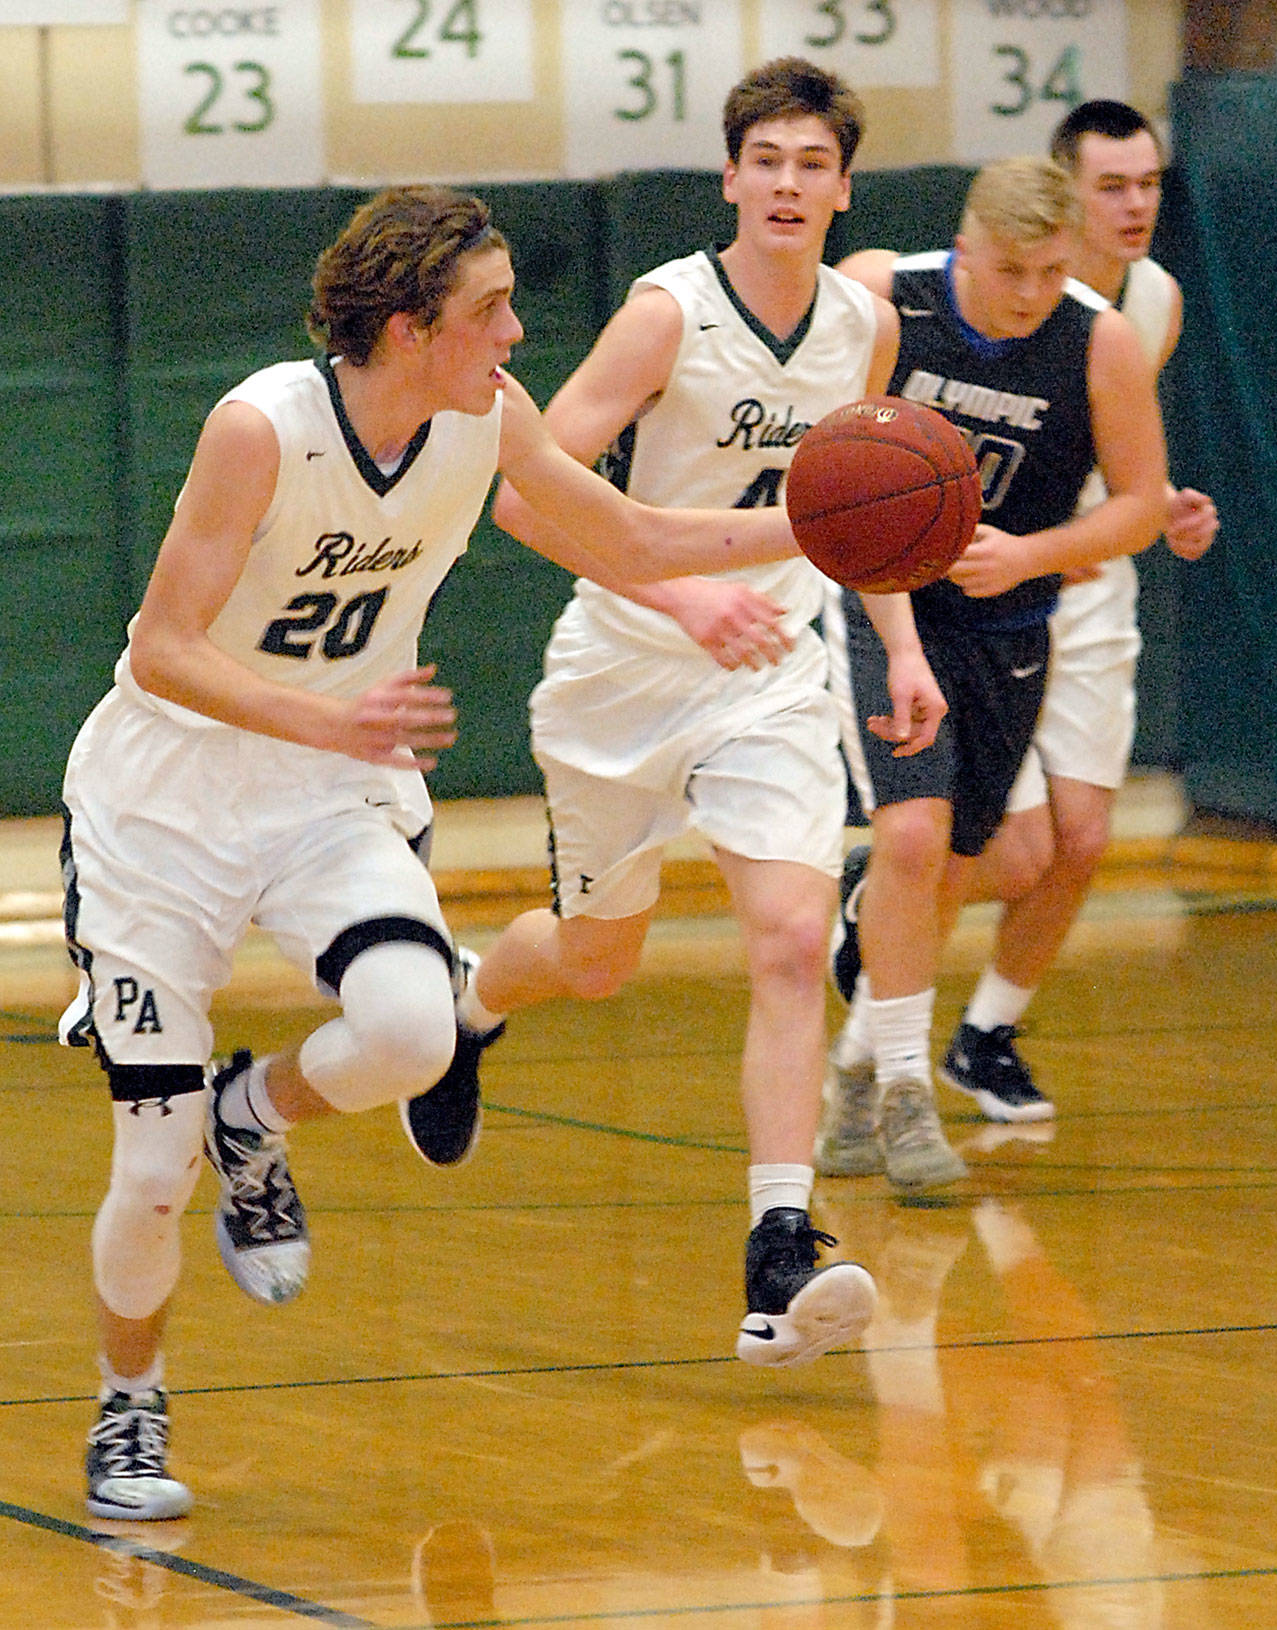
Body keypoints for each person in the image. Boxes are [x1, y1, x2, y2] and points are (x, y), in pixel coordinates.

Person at [60, 182, 814, 1522]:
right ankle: (131, 1404)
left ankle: (259, 1114)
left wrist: (832, 525)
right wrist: (332, 714)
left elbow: (630, 535)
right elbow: (161, 650)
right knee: (146, 1160)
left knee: (415, 1031)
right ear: (409, 329)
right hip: (163, 807)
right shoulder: (262, 430)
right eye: (491, 312)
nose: (518, 335)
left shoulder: (486, 421)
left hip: (324, 794)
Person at [402, 58, 944, 1371]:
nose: (787, 184)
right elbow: (527, 496)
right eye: (766, 159)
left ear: (841, 189)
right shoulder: (666, 314)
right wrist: (679, 589)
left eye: (812, 164)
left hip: (774, 674)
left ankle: (777, 1242)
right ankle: (470, 1006)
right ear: (731, 177)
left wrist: (902, 642)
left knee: (787, 934)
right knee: (598, 957)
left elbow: (862, 518)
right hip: (627, 667)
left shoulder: (862, 331)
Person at [814, 155, 1168, 1187]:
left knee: (958, 862)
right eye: (1009, 269)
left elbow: (1138, 502)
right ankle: (904, 1095)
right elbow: (823, 443)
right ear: (964, 247)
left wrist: (1028, 552)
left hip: (1009, 621)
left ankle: (852, 1069)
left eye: (1049, 271)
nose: (1028, 294)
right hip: (882, 603)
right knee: (914, 836)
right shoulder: (888, 297)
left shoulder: (1096, 338)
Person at [936, 101, 1218, 1122]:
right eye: (1112, 186)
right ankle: (877, 893)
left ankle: (986, 1034)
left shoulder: (1153, 300)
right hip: (977, 583)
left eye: (1146, 184)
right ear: (1062, 193)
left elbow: (1112, 454)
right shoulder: (970, 289)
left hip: (1088, 587)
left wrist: (1166, 505)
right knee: (1008, 852)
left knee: (1085, 840)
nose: (1135, 204)